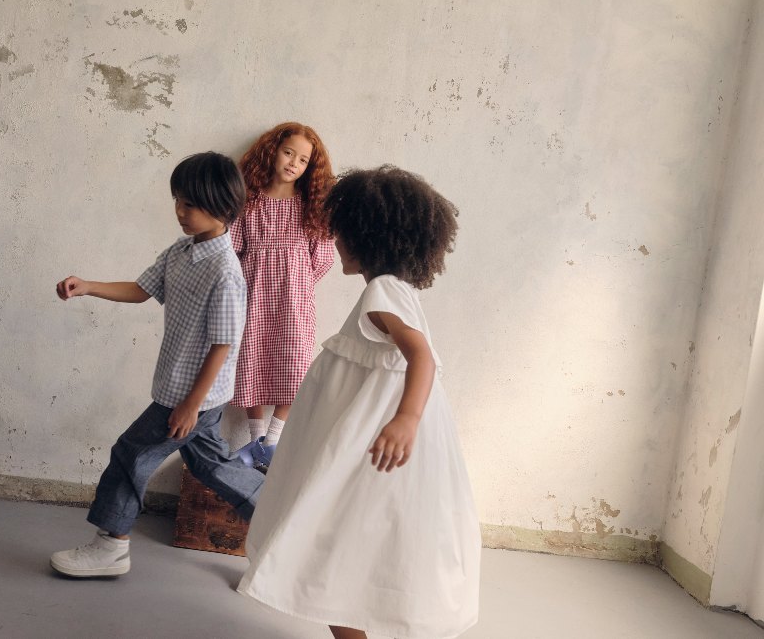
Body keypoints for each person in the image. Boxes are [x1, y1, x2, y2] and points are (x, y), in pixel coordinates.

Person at [238, 166, 481, 638]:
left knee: (335, 536)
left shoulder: (381, 290)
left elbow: (421, 356)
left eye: (342, 233)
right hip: (366, 431)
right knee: (345, 539)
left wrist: (406, 418)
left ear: (367, 236)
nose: (334, 243)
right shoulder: (395, 288)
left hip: (371, 437)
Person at [49, 152, 265, 578]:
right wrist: (88, 286)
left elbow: (224, 345)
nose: (180, 212)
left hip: (190, 396)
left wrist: (190, 405)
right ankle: (282, 521)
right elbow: (142, 289)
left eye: (191, 204)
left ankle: (111, 546)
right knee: (210, 466)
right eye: (178, 201)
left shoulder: (225, 272)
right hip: (182, 390)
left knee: (131, 453)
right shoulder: (182, 252)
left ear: (223, 206)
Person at [229, 122, 336, 470]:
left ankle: (272, 441)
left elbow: (322, 258)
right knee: (252, 358)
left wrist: (297, 284)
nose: (293, 163)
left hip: (294, 298)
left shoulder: (310, 205)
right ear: (273, 151)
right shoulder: (249, 200)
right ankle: (255, 439)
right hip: (252, 293)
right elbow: (232, 248)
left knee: (294, 364)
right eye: (288, 152)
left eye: (303, 160)